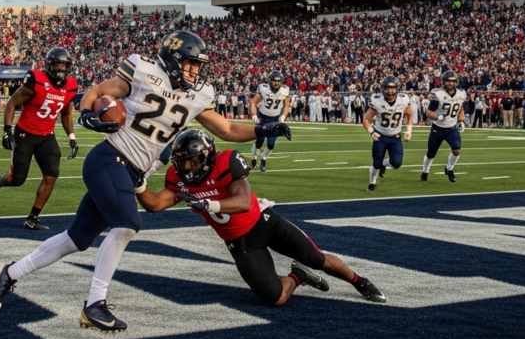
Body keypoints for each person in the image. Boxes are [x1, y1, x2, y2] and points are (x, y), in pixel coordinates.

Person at [0, 31, 292, 333]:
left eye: (197, 65)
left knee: (76, 239)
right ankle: (94, 303)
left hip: (130, 171)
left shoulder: (199, 95)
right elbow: (97, 92)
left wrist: (265, 129)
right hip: (110, 158)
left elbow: (227, 129)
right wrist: (87, 114)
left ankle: (10, 272)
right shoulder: (144, 71)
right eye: (189, 63)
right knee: (127, 224)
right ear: (171, 59)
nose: (194, 71)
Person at [136, 129, 386, 306]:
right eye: (183, 163)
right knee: (274, 298)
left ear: (208, 156)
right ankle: (299, 275)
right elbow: (155, 205)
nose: (187, 168)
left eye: (193, 161)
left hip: (264, 223)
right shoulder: (178, 179)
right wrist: (138, 184)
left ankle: (360, 282)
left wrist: (208, 204)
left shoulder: (226, 162)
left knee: (315, 257)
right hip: (240, 242)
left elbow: (243, 202)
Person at [0, 47, 79, 230]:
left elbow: (66, 113)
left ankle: (32, 218)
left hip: (46, 136)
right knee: (17, 180)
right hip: (25, 134)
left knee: (51, 175)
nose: (60, 68)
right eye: (57, 65)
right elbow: (12, 103)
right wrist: (7, 131)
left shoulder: (71, 86)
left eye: (63, 65)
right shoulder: (36, 80)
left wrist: (72, 137)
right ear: (49, 65)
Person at [363, 76, 413, 191]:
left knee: (396, 163)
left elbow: (409, 115)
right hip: (380, 136)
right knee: (376, 163)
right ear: (383, 89)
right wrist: (371, 131)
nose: (390, 91)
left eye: (393, 88)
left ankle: (384, 164)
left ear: (397, 89)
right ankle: (372, 182)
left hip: (395, 136)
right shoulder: (377, 100)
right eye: (387, 88)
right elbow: (366, 119)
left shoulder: (403, 99)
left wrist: (409, 130)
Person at [422, 71, 466, 183]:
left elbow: (460, 107)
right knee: (431, 153)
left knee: (456, 149)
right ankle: (425, 172)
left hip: (451, 128)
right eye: (448, 81)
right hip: (438, 127)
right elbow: (428, 112)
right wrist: (437, 117)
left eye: (453, 81)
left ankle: (449, 169)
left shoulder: (461, 94)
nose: (450, 83)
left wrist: (461, 120)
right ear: (443, 82)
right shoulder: (438, 94)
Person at [249, 70, 290, 172]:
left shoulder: (284, 90)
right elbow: (253, 103)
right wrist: (254, 115)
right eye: (274, 80)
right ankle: (254, 159)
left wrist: (283, 116)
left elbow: (286, 105)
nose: (276, 83)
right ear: (270, 81)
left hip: (275, 119)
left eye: (279, 81)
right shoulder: (264, 88)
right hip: (262, 118)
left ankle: (263, 157)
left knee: (271, 144)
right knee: (260, 141)